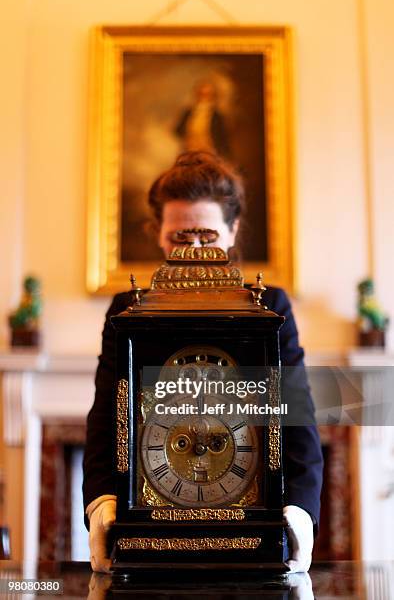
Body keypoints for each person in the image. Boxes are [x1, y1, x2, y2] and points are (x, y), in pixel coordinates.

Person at [83, 151, 323, 574]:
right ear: (158, 233)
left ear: (232, 232)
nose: (194, 251)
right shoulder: (126, 308)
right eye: (180, 238)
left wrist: (300, 513)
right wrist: (103, 504)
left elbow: (296, 415)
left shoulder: (270, 305)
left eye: (207, 238)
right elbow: (109, 414)